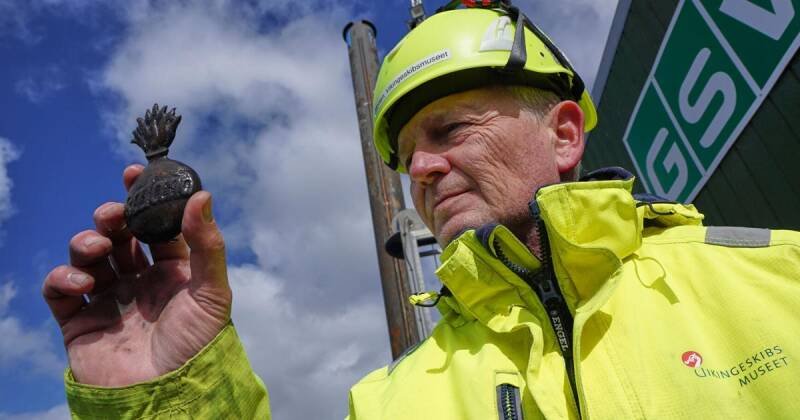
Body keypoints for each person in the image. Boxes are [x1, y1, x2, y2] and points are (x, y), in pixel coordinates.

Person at [44, 3, 800, 419]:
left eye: (450, 130)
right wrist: (166, 400)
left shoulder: (778, 279)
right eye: (406, 157)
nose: (425, 170)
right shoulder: (392, 402)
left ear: (564, 133)